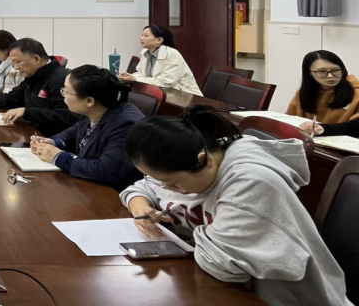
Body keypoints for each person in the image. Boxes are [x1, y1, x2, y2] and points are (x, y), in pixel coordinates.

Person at [122, 105, 351, 306]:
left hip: (279, 298)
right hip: (225, 288)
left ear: (203, 160)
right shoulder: (188, 161)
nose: (168, 189)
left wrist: (193, 233)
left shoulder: (250, 182)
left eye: (172, 183)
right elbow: (145, 186)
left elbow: (223, 265)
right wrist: (140, 205)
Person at [30, 65, 144, 190]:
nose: (63, 94)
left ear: (89, 101)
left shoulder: (125, 125)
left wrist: (57, 157)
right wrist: (52, 142)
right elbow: (73, 132)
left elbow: (106, 170)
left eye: (66, 91)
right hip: (87, 184)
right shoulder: (95, 109)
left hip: (111, 193)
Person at [0, 38, 79, 136]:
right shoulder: (33, 76)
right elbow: (10, 99)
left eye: (18, 62)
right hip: (32, 134)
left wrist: (27, 112)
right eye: (13, 63)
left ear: (36, 59)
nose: (16, 67)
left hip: (52, 140)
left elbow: (67, 118)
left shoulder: (60, 79)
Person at [117, 24, 202, 96]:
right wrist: (129, 77)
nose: (141, 38)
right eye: (142, 35)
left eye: (146, 36)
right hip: (161, 93)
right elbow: (142, 74)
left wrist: (135, 79)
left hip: (184, 95)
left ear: (159, 40)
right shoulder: (145, 52)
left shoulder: (172, 54)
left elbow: (167, 82)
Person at [287, 51, 359, 124]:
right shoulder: (303, 93)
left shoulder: (356, 94)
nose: (330, 76)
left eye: (335, 70)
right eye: (322, 71)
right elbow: (289, 120)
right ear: (309, 73)